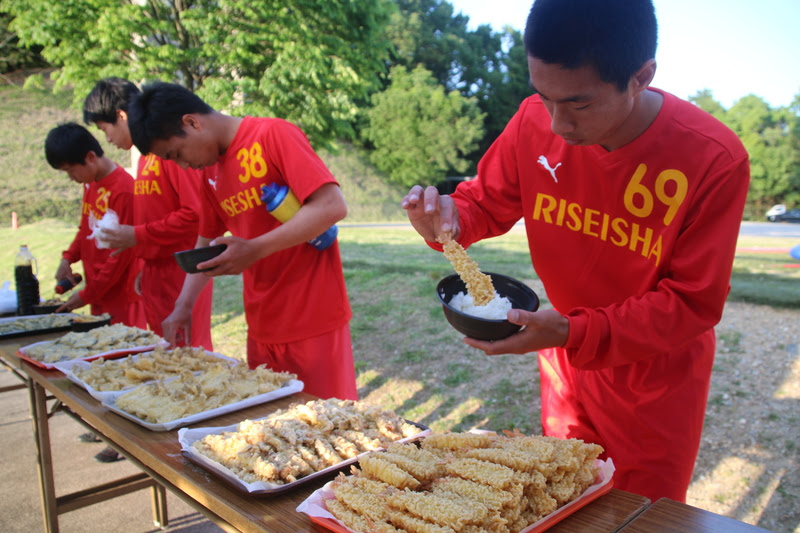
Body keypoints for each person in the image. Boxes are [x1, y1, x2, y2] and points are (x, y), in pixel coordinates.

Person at [401, 0, 749, 503]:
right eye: (544, 96)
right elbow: (483, 202)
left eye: (579, 104)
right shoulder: (532, 122)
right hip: (564, 357)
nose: (558, 124)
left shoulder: (712, 158)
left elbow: (692, 302)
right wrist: (445, 217)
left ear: (641, 76)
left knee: (637, 514)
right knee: (562, 500)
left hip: (653, 382)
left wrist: (574, 331)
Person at [126, 82, 357, 401]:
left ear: (191, 122)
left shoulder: (273, 135)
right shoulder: (208, 173)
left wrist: (255, 249)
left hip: (312, 319)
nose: (182, 166)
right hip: (261, 324)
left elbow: (332, 205)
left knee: (332, 426)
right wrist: (182, 307)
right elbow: (205, 242)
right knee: (274, 429)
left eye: (177, 154)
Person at [82, 77, 214, 350]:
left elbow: (196, 214)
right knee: (165, 354)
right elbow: (156, 214)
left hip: (182, 272)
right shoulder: (145, 157)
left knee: (188, 357)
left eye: (105, 128)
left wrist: (136, 235)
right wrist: (144, 260)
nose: (107, 138)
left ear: (121, 115)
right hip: (156, 271)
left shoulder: (170, 148)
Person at [44, 122, 146, 329]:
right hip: (98, 290)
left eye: (71, 171)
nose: (72, 178)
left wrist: (86, 295)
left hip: (122, 296)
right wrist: (68, 258)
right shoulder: (90, 182)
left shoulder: (124, 190)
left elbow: (121, 255)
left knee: (127, 353)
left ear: (90, 157)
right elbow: (85, 228)